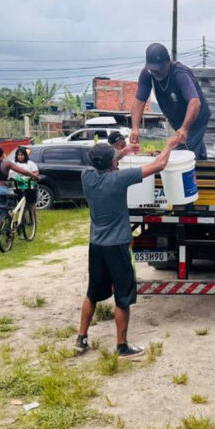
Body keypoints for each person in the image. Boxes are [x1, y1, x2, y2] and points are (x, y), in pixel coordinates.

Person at [75, 136, 180, 357]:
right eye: (115, 159)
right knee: (122, 297)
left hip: (96, 246)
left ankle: (81, 338)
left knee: (92, 294)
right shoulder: (119, 179)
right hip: (118, 246)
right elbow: (159, 165)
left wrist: (123, 152)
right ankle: (122, 346)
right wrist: (170, 144)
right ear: (112, 164)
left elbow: (102, 163)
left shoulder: (87, 177)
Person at [131, 43, 210, 160]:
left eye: (158, 69)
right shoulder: (147, 74)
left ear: (167, 62)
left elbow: (195, 102)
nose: (155, 73)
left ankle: (188, 175)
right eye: (152, 69)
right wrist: (135, 128)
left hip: (195, 117)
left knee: (184, 152)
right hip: (177, 120)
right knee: (194, 149)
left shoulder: (179, 73)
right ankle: (203, 169)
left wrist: (184, 128)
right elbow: (139, 102)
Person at [0, 145, 39, 250]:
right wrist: (35, 176)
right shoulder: (7, 163)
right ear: (2, 154)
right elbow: (22, 171)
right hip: (1, 190)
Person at [8, 147, 40, 216]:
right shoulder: (13, 163)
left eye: (22, 155)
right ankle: (22, 218)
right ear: (16, 156)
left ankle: (33, 218)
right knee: (19, 202)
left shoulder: (30, 163)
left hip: (29, 185)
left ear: (25, 155)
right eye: (18, 155)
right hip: (16, 185)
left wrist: (31, 177)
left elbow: (36, 173)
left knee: (31, 203)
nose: (20, 157)